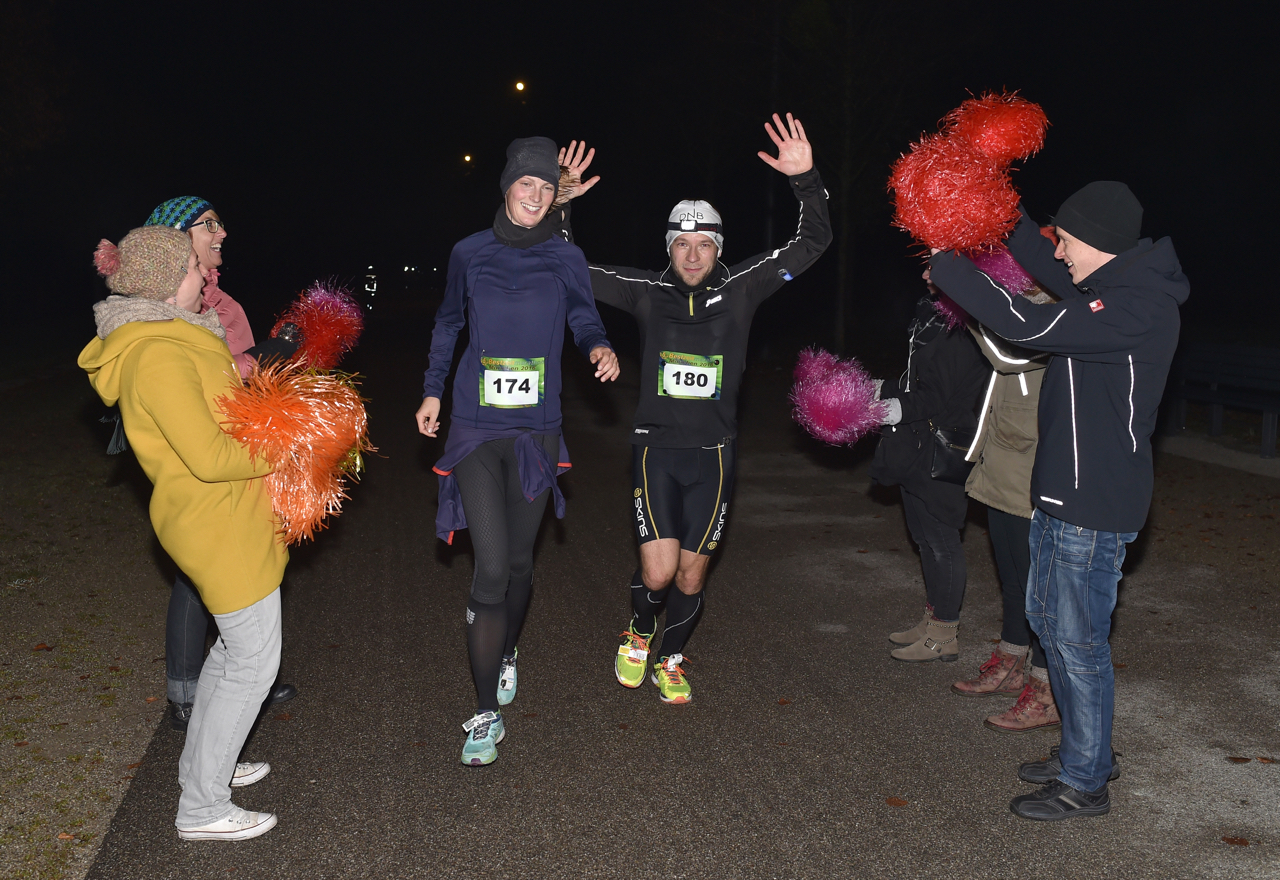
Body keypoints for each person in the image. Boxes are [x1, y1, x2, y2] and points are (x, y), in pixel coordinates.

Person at [929, 181, 1189, 821]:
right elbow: (1043, 263)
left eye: (1067, 240)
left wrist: (946, 264)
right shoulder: (1105, 289)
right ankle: (1087, 749)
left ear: (1098, 244)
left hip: (1093, 508)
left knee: (1077, 644)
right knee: (1050, 625)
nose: (1059, 252)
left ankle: (1085, 780)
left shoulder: (1140, 308)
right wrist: (994, 205)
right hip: (1057, 498)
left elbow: (1027, 323)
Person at [563, 113, 831, 704]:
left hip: (713, 454)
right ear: (668, 247)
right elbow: (568, 268)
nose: (692, 254)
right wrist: (561, 206)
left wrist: (805, 180)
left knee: (690, 574)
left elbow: (812, 243)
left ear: (718, 248)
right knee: (656, 575)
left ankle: (673, 659)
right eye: (681, 243)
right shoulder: (646, 292)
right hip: (656, 449)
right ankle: (638, 632)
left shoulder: (744, 286)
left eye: (703, 243)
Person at [415, 136, 619, 766]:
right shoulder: (468, 253)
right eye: (525, 185)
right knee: (493, 567)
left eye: (545, 188)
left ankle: (507, 650)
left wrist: (598, 347)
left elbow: (584, 318)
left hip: (537, 430)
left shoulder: (565, 257)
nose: (534, 196)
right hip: (476, 427)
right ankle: (483, 715)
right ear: (506, 187)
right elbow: (449, 323)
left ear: (556, 198)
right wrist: (432, 393)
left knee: (524, 566)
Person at [80, 226, 285, 840]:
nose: (205, 277)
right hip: (215, 521)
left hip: (228, 516)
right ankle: (201, 807)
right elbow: (208, 456)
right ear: (167, 284)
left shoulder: (174, 337)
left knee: (231, 653)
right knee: (253, 662)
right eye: (195, 270)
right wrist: (286, 448)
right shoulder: (158, 353)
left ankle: (202, 767)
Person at [143, 196, 298, 732]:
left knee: (234, 590)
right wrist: (262, 359)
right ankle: (188, 692)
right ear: (173, 242)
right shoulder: (165, 315)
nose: (222, 233)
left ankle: (243, 673)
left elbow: (239, 375)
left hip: (239, 458)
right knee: (196, 577)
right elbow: (204, 379)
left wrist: (275, 359)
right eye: (208, 225)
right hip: (205, 467)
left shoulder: (223, 303)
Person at [951, 303, 1061, 733]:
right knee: (1014, 582)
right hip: (1002, 463)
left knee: (1042, 593)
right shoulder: (1019, 301)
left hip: (1029, 470)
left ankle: (1047, 688)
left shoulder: (1055, 310)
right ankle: (1012, 664)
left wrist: (967, 298)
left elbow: (1008, 356)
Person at [870, 270, 988, 662]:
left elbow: (937, 397)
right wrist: (871, 388)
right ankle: (932, 618)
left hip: (943, 445)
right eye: (925, 262)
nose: (924, 273)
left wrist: (881, 409)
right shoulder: (931, 314)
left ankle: (944, 634)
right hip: (917, 442)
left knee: (942, 542)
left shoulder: (964, 323)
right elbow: (913, 379)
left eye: (936, 264)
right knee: (924, 538)